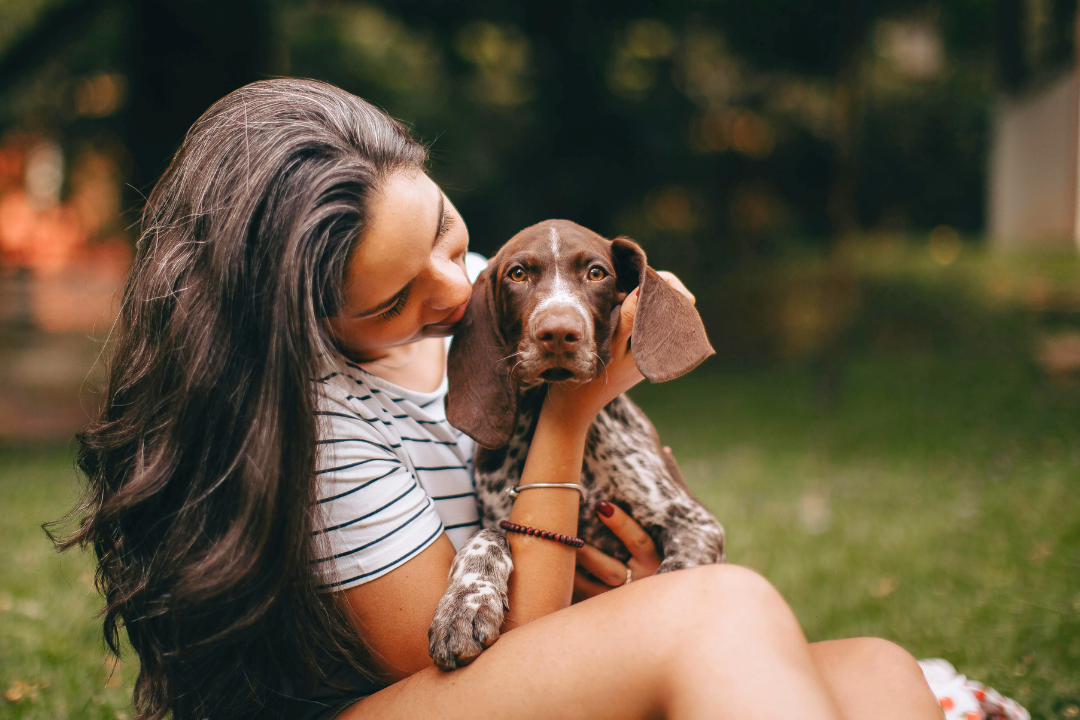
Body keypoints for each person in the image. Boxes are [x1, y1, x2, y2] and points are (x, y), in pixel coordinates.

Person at [55, 79, 941, 720]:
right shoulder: (318, 427)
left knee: (879, 676)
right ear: (300, 319)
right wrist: (568, 411)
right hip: (411, 700)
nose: (455, 292)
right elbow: (496, 654)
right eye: (393, 302)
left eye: (447, 235)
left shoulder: (495, 294)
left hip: (525, 664)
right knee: (723, 611)